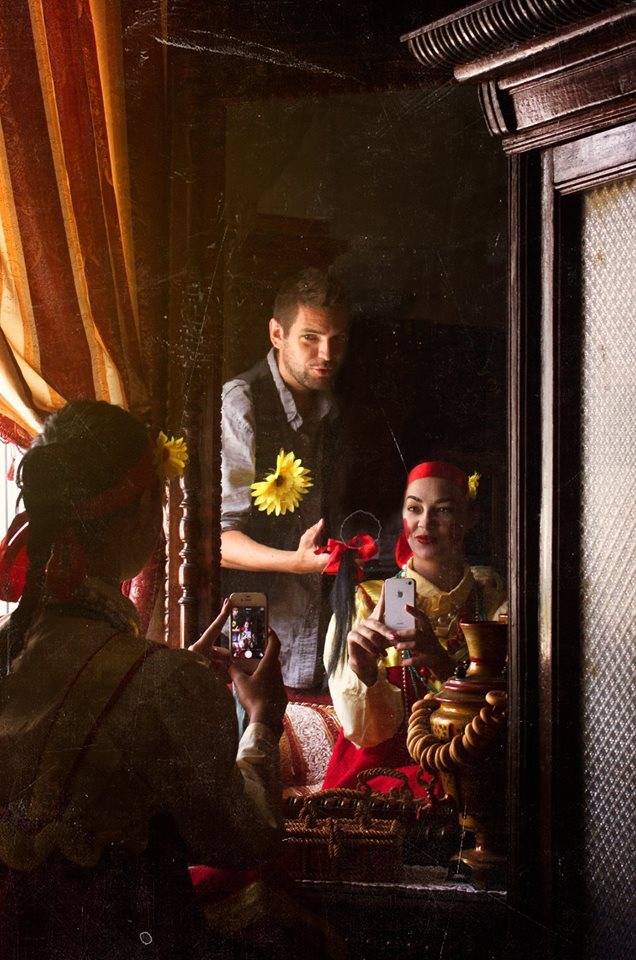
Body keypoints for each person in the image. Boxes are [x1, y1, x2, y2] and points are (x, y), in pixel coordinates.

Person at [0, 401, 287, 960]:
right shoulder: (162, 685)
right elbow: (245, 838)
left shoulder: (17, 651)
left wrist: (160, 672)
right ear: (140, 517)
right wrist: (261, 722)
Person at [322, 460, 506, 795]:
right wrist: (366, 674)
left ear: (471, 518)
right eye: (414, 508)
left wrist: (441, 662)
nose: (425, 523)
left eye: (444, 510)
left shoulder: (494, 600)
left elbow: (502, 720)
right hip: (380, 777)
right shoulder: (367, 602)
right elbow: (366, 736)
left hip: (468, 770)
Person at [221, 268, 350, 694]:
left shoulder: (333, 408)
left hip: (319, 632)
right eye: (310, 337)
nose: (326, 353)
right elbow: (218, 540)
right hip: (250, 623)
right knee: (253, 715)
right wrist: (293, 561)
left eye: (337, 339)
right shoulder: (241, 403)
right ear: (277, 334)